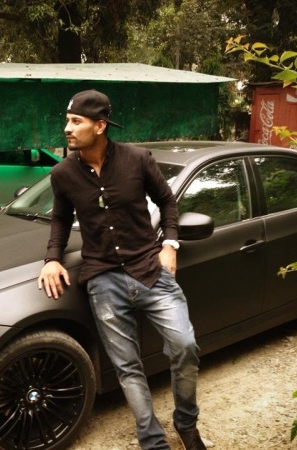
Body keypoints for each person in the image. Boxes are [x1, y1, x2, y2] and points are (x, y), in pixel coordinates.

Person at [37, 89, 206, 450]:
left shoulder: (137, 159)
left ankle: (185, 421)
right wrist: (52, 257)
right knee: (127, 368)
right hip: (103, 280)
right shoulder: (63, 174)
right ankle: (153, 441)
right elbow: (61, 220)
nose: (67, 128)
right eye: (67, 120)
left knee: (185, 346)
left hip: (151, 270)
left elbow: (167, 201)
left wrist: (170, 245)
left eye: (75, 121)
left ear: (99, 126)